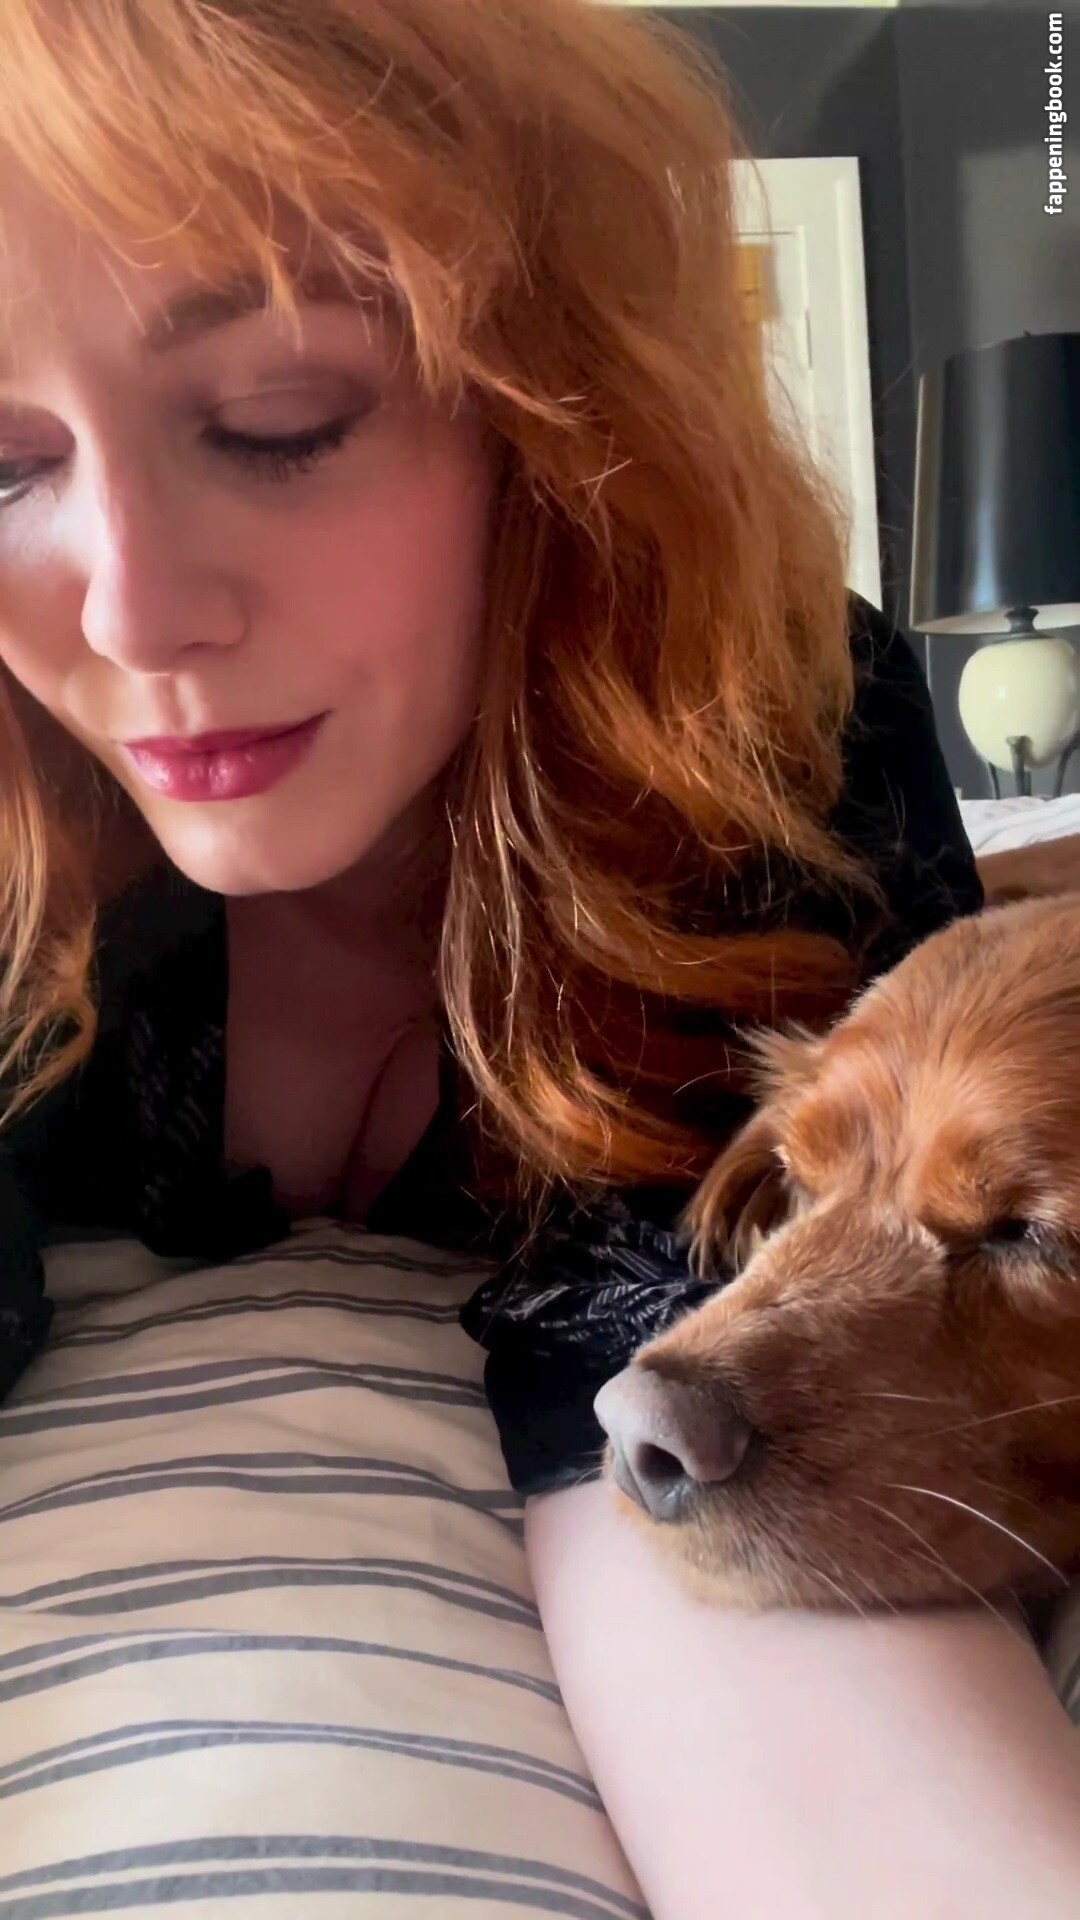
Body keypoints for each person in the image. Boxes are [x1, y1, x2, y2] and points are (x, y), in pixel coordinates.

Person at [0, 1, 1076, 1914]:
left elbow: (685, 1401)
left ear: (551, 410)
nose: (137, 617)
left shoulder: (770, 729)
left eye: (282, 421)